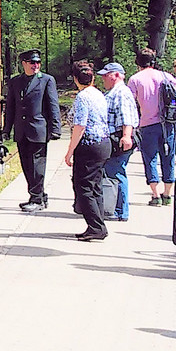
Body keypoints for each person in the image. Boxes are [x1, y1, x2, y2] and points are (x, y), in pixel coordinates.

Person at [5, 48, 61, 212]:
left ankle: (37, 199)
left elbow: (53, 105)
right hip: (22, 131)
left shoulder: (46, 80)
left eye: (38, 62)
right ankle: (38, 196)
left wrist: (55, 128)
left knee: (37, 166)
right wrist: (6, 129)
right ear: (24, 63)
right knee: (26, 166)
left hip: (38, 130)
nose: (35, 65)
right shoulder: (16, 82)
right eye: (32, 62)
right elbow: (11, 107)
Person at [64, 60, 112, 241]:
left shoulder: (82, 97)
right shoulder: (99, 94)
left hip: (89, 145)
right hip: (103, 144)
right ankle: (98, 225)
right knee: (95, 186)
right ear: (92, 78)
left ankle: (96, 226)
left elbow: (80, 126)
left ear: (75, 79)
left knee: (83, 186)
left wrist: (70, 151)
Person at [127, 48, 176, 210]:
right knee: (168, 156)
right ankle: (167, 194)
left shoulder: (135, 79)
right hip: (167, 123)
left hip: (147, 124)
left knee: (150, 158)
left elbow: (129, 101)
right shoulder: (165, 76)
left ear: (138, 62)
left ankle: (155, 194)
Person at [99, 62, 138, 220]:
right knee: (113, 171)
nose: (103, 79)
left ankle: (120, 210)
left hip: (119, 138)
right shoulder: (114, 92)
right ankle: (115, 208)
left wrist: (126, 136)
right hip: (116, 137)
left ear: (115, 75)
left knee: (116, 172)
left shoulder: (121, 92)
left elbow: (126, 116)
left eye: (105, 75)